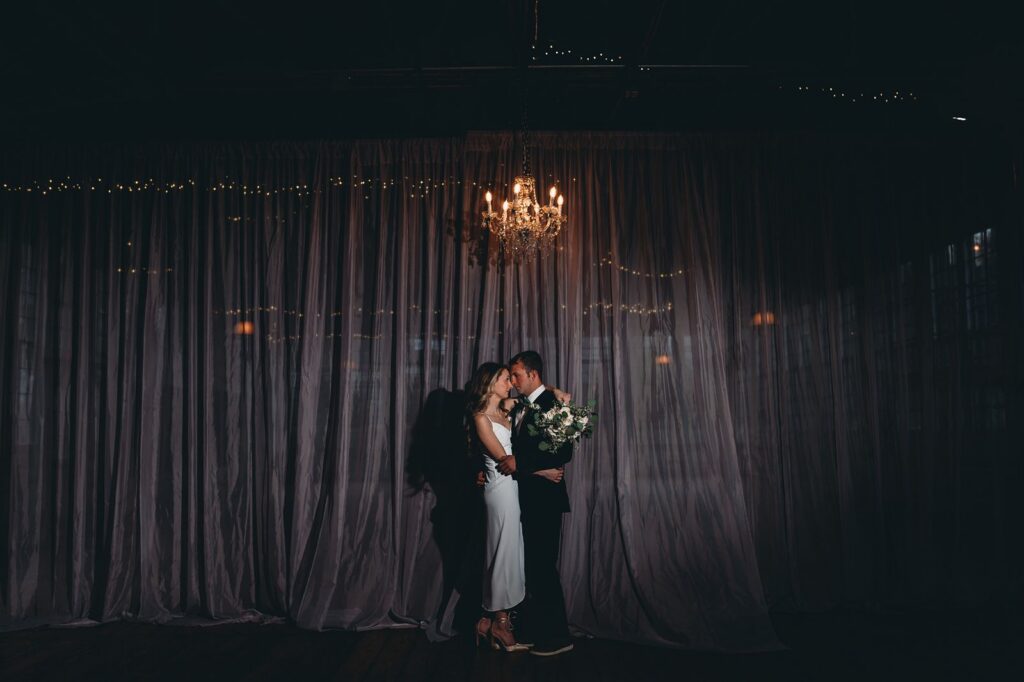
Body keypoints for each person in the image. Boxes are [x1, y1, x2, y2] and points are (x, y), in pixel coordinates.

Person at [465, 362, 563, 652]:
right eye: (505, 379)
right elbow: (505, 461)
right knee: (503, 554)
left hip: (515, 490)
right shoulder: (480, 417)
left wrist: (559, 394)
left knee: (512, 554)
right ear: (491, 382)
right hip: (500, 491)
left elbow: (544, 394)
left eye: (511, 378)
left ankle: (489, 622)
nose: (510, 384)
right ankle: (500, 623)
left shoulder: (507, 408)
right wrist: (543, 471)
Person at [499, 350, 575, 656]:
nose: (513, 381)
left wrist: (522, 462)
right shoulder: (523, 405)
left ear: (533, 374)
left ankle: (559, 636)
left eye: (516, 375)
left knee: (543, 566)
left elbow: (563, 453)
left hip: (545, 500)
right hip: (525, 498)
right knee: (531, 567)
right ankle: (537, 629)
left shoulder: (553, 404)